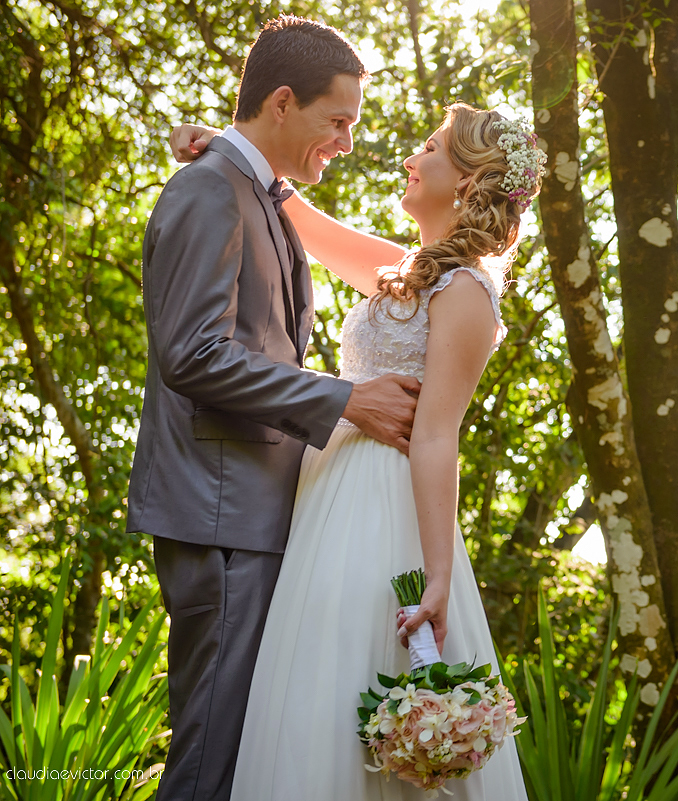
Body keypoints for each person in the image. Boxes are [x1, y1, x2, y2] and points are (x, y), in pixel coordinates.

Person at [171, 99, 543, 799]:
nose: (411, 157)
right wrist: (221, 145)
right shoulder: (407, 270)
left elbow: (436, 434)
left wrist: (438, 576)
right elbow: (300, 221)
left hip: (382, 506)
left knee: (353, 666)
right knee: (305, 678)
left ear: (465, 181)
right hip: (325, 491)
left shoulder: (467, 292)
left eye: (429, 147)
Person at [128, 17, 422, 801]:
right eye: (340, 121)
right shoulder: (208, 190)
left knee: (235, 756)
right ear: (283, 103)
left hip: (253, 514)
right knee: (208, 757)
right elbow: (192, 354)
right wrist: (345, 399)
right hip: (220, 514)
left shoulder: (255, 194)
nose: (348, 142)